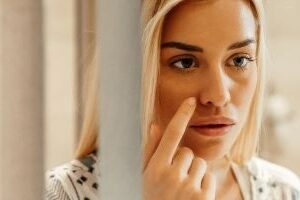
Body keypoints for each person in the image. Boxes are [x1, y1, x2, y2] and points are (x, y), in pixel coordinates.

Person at [45, 0, 300, 199]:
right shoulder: (59, 194)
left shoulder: (285, 191)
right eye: (185, 63)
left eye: (239, 60)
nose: (218, 95)